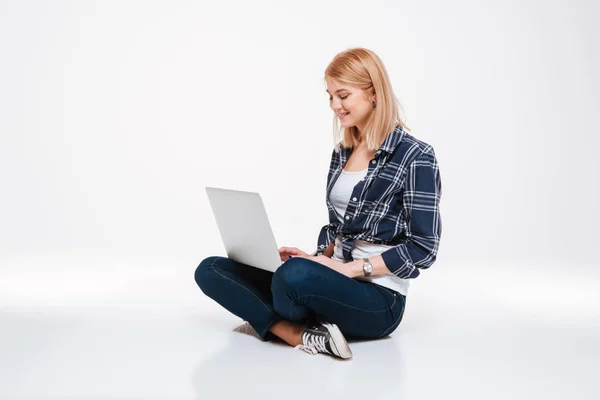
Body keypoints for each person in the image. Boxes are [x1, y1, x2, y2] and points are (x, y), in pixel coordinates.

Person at [194, 47, 442, 360]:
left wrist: (346, 269)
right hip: (332, 276)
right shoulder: (343, 152)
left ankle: (274, 321)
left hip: (379, 298)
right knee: (210, 269)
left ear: (374, 93)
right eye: (330, 96)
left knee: (292, 280)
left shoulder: (416, 156)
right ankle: (296, 332)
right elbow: (339, 228)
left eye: (343, 95)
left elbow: (424, 248)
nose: (335, 106)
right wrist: (315, 257)